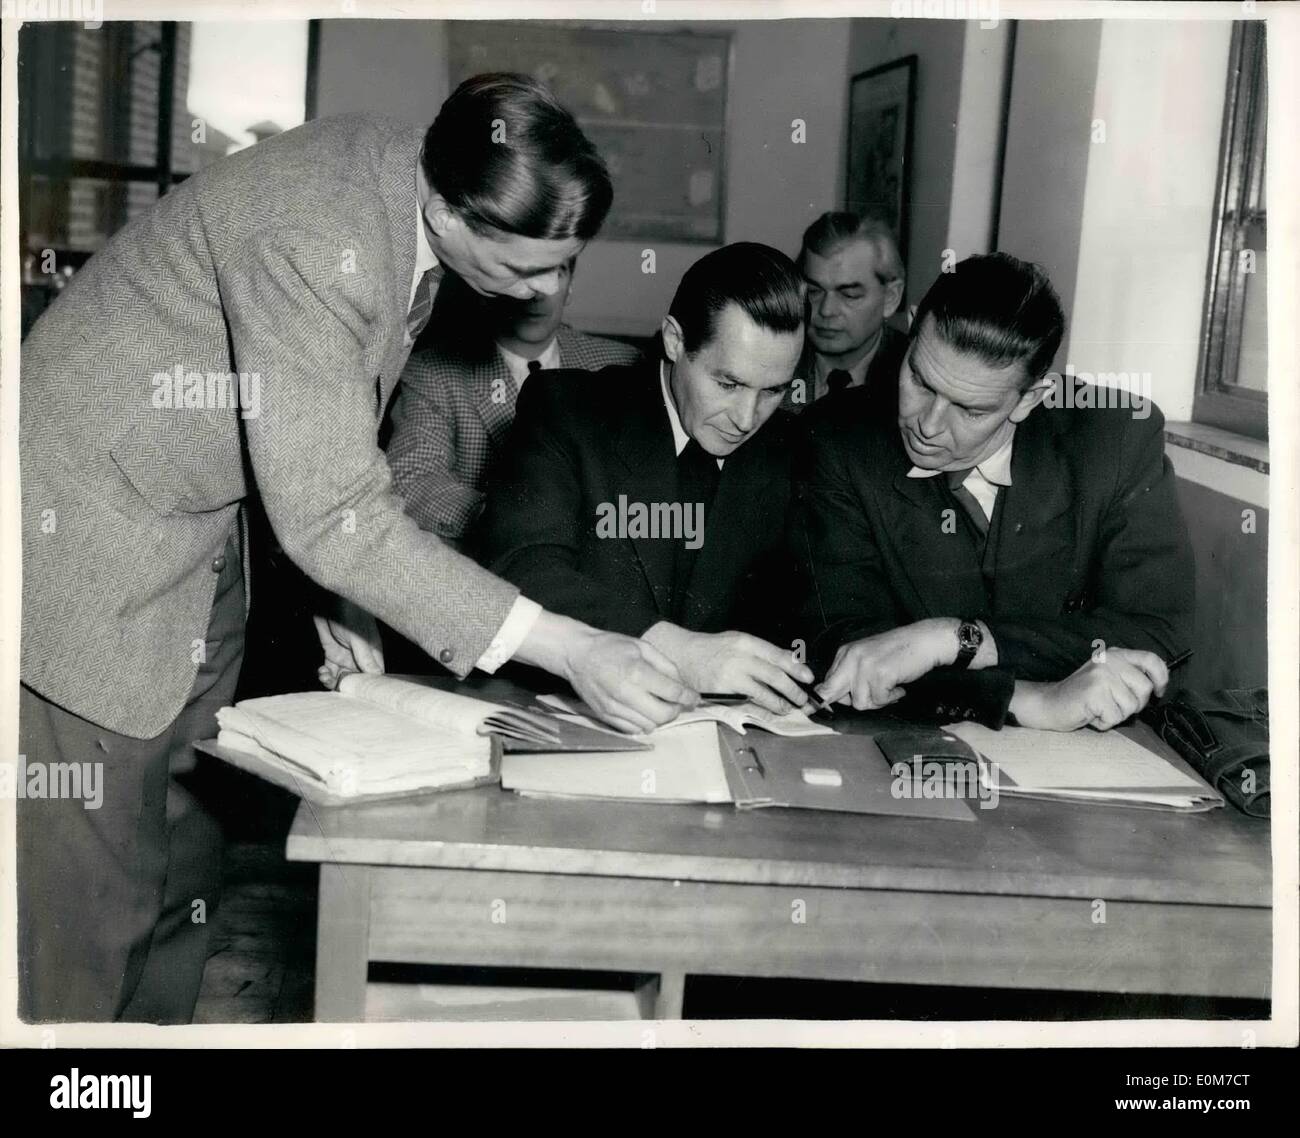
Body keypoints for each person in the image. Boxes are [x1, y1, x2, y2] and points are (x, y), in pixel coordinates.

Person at [18, 72, 695, 1024]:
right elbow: (335, 512)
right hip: (82, 531)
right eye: (529, 267)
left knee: (181, 861)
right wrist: (576, 647)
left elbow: (324, 437)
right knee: (90, 891)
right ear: (451, 213)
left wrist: (350, 600)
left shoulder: (410, 172)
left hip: (198, 527)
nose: (548, 291)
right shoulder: (314, 231)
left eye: (562, 265)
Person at [795, 252, 1194, 731]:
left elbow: (1158, 633)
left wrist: (955, 639)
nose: (927, 424)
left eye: (971, 409)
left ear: (1030, 398)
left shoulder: (1115, 438)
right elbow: (845, 648)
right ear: (912, 325)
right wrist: (1029, 699)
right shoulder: (837, 439)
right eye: (920, 379)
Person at [473, 243, 815, 713]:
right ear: (675, 340)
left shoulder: (788, 447)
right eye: (728, 384)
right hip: (565, 712)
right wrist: (674, 648)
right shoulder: (567, 410)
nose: (746, 418)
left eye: (773, 390)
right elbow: (521, 566)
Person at [385, 258, 639, 545]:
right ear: (491, 287)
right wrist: (510, 514)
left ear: (569, 288)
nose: (537, 294)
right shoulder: (433, 372)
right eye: (522, 272)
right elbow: (412, 479)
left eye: (554, 272)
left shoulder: (622, 365)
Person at [784, 211, 908, 414]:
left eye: (849, 295)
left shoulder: (914, 378)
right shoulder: (774, 362)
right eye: (813, 291)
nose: (826, 310)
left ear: (891, 298)